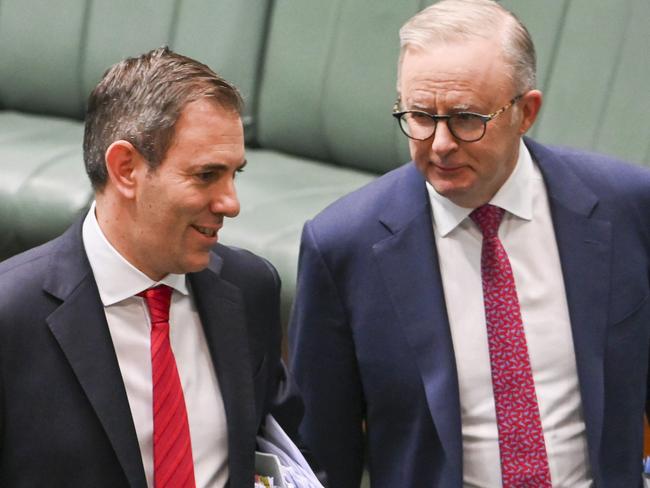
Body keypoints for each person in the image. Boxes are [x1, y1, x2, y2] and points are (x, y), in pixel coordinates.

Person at [289, 0, 650, 487]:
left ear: (526, 112)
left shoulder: (626, 206)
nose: (439, 143)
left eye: (466, 118)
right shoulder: (342, 247)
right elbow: (322, 456)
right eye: (419, 115)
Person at [0, 47, 302, 487]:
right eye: (206, 175)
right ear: (126, 169)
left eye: (236, 174)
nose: (231, 204)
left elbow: (287, 454)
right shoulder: (11, 317)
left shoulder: (250, 288)